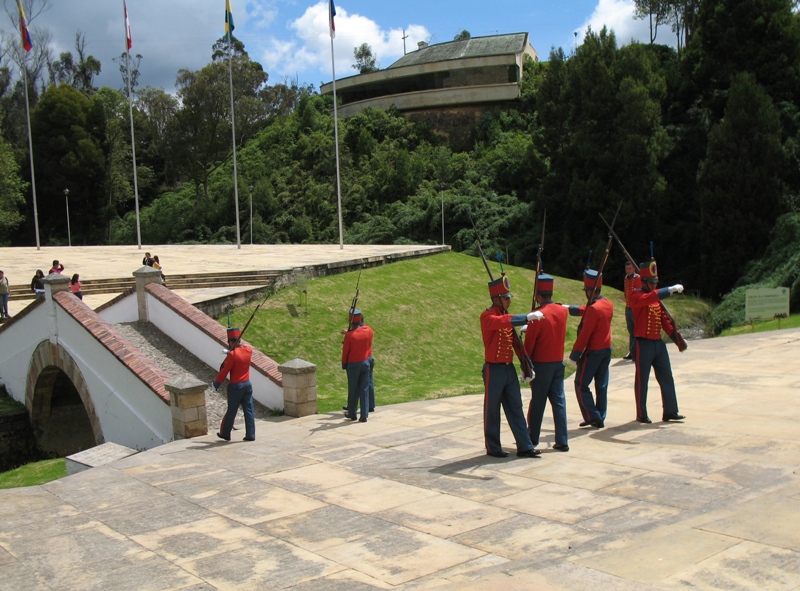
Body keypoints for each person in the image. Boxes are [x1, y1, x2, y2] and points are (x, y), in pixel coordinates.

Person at [480, 274, 544, 458]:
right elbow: (501, 322)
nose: (509, 301)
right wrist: (525, 317)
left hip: (508, 369)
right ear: (496, 299)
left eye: (509, 298)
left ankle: (525, 446)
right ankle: (493, 447)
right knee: (492, 409)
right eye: (506, 298)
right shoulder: (487, 316)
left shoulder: (506, 317)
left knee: (516, 406)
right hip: (494, 369)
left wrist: (526, 366)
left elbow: (515, 344)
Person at [628, 258, 686, 423]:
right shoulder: (636, 296)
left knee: (667, 377)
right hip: (643, 344)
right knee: (642, 380)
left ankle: (670, 411)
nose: (654, 285)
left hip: (658, 343)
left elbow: (664, 322)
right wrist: (668, 289)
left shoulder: (654, 298)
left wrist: (678, 340)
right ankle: (641, 413)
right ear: (644, 282)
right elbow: (649, 297)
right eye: (651, 282)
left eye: (655, 283)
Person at [523, 274, 569, 452]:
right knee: (558, 402)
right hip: (558, 362)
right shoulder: (561, 310)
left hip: (541, 364)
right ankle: (562, 439)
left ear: (538, 295)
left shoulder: (537, 315)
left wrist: (526, 364)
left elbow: (530, 345)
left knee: (538, 403)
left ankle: (532, 438)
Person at [566, 269, 613, 429]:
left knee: (580, 384)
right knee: (601, 385)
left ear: (588, 290)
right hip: (607, 349)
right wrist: (567, 308)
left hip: (594, 351)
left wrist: (575, 355)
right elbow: (587, 311)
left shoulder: (593, 308)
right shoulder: (607, 303)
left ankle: (592, 415)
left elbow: (585, 335)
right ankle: (599, 415)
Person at [213, 327, 256, 441]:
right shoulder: (248, 350)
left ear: (231, 342)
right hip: (247, 384)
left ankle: (225, 433)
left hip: (236, 386)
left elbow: (225, 371)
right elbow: (241, 353)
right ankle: (250, 434)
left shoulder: (232, 355)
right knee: (249, 410)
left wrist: (217, 383)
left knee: (231, 411)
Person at [341, 308, 373, 422]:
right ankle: (364, 415)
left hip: (353, 365)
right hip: (365, 363)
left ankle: (352, 413)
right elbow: (364, 330)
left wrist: (344, 364)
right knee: (364, 389)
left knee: (353, 389)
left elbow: (346, 352)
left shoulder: (349, 336)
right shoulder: (368, 331)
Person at [622, 261, 642, 360]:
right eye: (626, 269)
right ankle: (632, 351)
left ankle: (637, 353)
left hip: (635, 308)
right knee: (631, 331)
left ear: (634, 269)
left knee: (637, 331)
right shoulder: (626, 279)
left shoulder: (637, 278)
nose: (628, 270)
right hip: (628, 307)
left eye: (630, 268)